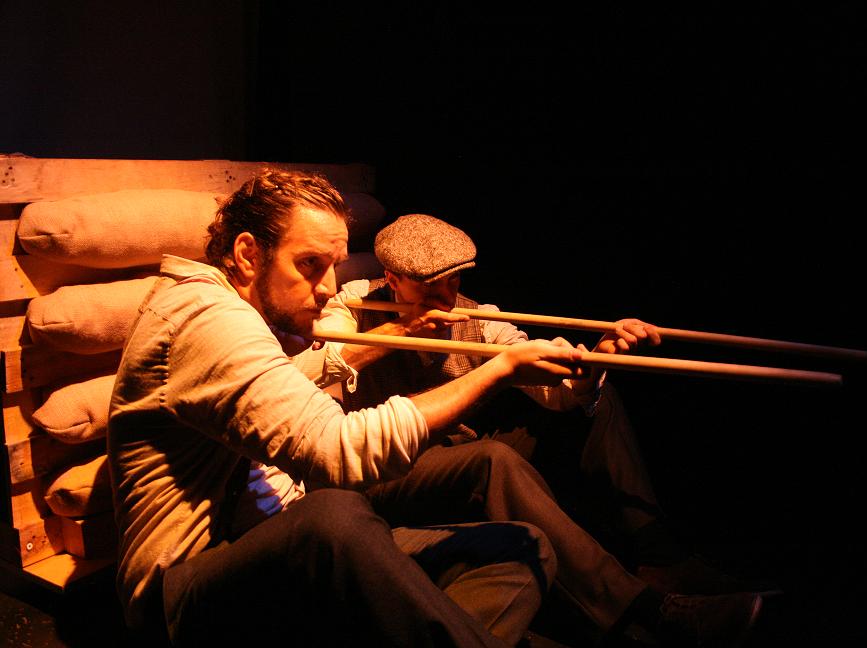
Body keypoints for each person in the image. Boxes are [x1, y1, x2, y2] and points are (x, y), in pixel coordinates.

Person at [107, 170, 593, 647]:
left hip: (286, 533)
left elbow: (291, 379)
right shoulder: (205, 316)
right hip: (186, 589)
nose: (326, 287)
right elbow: (337, 450)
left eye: (333, 265)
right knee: (334, 516)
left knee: (519, 549)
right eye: (309, 264)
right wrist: (499, 370)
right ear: (249, 254)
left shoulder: (252, 313)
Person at [310, 214, 766, 646]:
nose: (447, 298)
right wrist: (401, 328)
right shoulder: (353, 304)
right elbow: (319, 365)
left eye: (454, 282)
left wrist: (593, 363)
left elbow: (556, 391)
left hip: (458, 450)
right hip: (389, 467)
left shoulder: (477, 317)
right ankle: (646, 613)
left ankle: (658, 556)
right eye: (431, 288)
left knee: (597, 404)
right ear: (392, 278)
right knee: (492, 459)